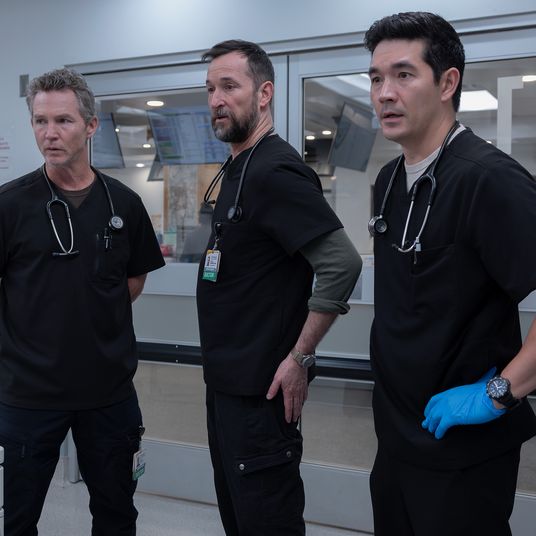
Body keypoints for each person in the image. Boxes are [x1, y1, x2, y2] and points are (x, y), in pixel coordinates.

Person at [365, 11, 536, 536]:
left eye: (403, 74)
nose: (384, 93)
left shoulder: (489, 181)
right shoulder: (388, 182)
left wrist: (501, 392)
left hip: (463, 453)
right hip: (396, 443)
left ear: (447, 83)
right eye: (376, 78)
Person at [196, 40, 362, 535]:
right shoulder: (239, 168)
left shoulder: (274, 169)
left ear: (264, 93)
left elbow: (341, 263)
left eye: (229, 86)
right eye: (210, 89)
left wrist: (300, 357)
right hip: (228, 390)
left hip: (261, 399)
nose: (216, 100)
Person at [0, 68, 165, 535]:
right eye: (40, 121)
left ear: (91, 126)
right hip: (29, 396)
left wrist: (92, 311)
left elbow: (134, 278)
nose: (49, 133)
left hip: (108, 394)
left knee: (117, 515)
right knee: (19, 520)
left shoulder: (123, 205)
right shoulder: (10, 205)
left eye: (63, 121)